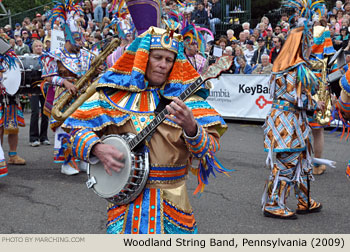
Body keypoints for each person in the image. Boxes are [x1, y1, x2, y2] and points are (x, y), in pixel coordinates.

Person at [61, 0, 228, 234]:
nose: (162, 65)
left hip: (172, 208)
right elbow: (75, 131)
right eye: (157, 57)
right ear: (142, 58)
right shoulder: (112, 96)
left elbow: (209, 152)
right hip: (124, 207)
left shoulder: (189, 102)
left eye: (169, 60)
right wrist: (96, 148)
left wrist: (192, 128)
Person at [262, 0, 325, 219]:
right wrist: (315, 103)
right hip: (287, 123)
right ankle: (272, 204)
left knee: (304, 163)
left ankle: (304, 200)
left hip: (294, 122)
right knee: (286, 164)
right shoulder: (294, 68)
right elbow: (294, 98)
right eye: (307, 43)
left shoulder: (287, 65)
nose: (310, 47)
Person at [40, 0, 96, 175]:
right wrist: (64, 82)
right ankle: (67, 161)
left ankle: (83, 158)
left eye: (81, 38)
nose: (80, 43)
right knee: (66, 127)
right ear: (68, 38)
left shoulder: (86, 54)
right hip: (63, 95)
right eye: (76, 39)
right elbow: (48, 76)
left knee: (85, 125)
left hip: (83, 94)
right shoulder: (55, 55)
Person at [0, 49, 26, 166]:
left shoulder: (10, 58)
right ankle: (0, 157)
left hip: (11, 97)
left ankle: (13, 155)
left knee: (13, 127)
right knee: (0, 128)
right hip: (1, 97)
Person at [29, 40, 50, 147]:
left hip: (44, 87)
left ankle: (44, 137)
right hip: (33, 88)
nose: (38, 48)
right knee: (35, 112)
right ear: (33, 48)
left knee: (45, 112)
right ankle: (33, 138)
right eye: (36, 46)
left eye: (40, 46)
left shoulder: (46, 58)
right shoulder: (29, 58)